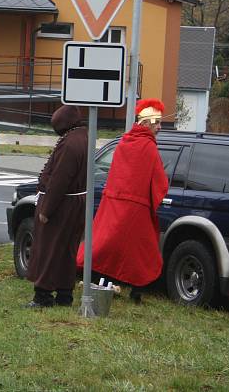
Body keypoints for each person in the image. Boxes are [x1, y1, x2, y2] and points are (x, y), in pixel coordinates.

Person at [76, 98, 169, 304]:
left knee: (107, 244)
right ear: (147, 123)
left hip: (114, 205)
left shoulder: (124, 142)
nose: (160, 127)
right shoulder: (149, 147)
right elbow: (160, 183)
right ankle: (136, 291)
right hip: (137, 209)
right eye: (157, 123)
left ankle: (101, 282)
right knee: (140, 251)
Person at [25, 105, 88, 308]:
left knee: (48, 250)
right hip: (75, 203)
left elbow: (60, 179)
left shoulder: (70, 143)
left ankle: (43, 296)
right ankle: (64, 294)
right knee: (66, 251)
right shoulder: (84, 137)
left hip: (62, 205)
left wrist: (46, 210)